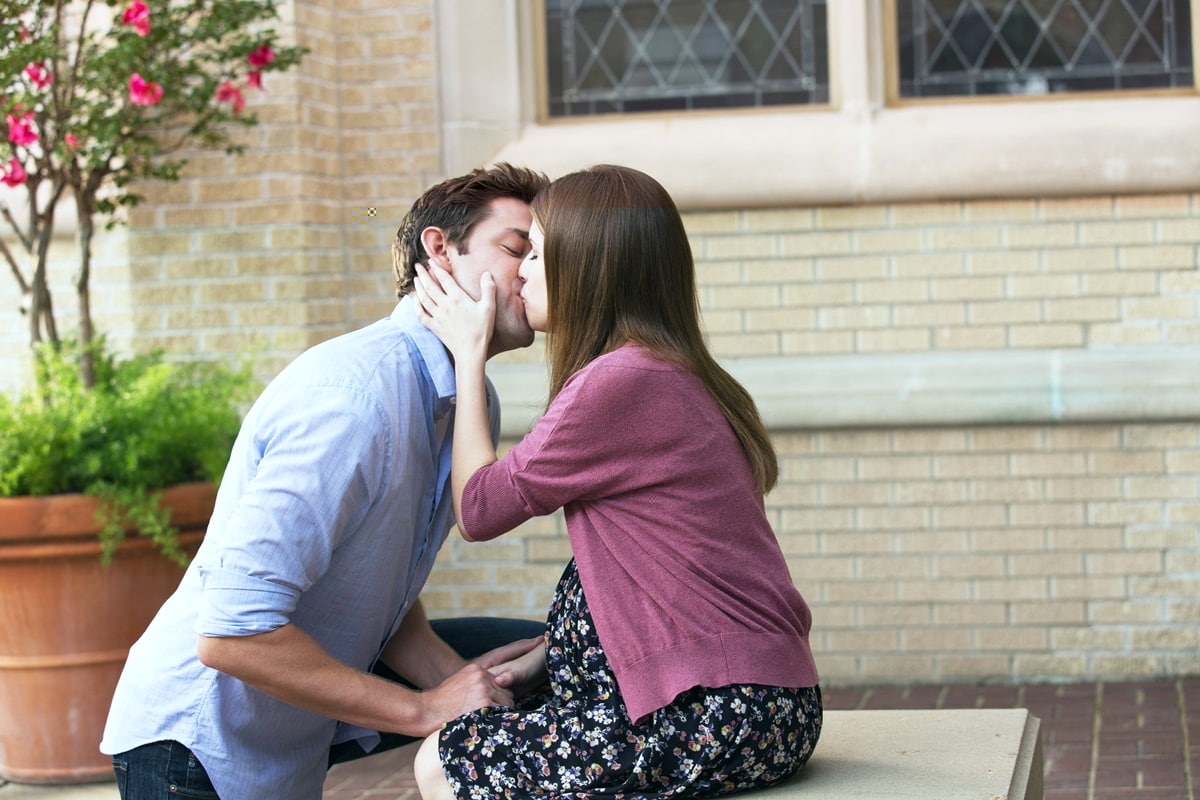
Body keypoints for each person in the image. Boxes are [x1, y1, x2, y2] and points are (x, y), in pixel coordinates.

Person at [100, 163, 552, 800]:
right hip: (194, 750)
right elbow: (232, 630)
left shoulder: (468, 402)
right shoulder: (355, 399)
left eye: (540, 255)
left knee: (531, 657)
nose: (531, 270)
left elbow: (385, 599)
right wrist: (427, 710)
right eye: (514, 248)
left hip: (283, 745)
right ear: (440, 249)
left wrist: (468, 692)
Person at [410, 164, 822, 799]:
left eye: (537, 252)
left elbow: (479, 510)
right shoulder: (669, 370)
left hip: (717, 711)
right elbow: (673, 569)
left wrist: (469, 355)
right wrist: (552, 653)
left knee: (444, 760)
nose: (521, 272)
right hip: (750, 701)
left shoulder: (620, 380)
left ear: (588, 268)